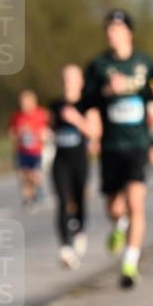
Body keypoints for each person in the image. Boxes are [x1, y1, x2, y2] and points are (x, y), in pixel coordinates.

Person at [82, 9, 153, 288]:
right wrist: (107, 91)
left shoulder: (145, 63)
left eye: (117, 28)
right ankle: (119, 225)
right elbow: (84, 102)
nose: (112, 33)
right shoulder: (98, 66)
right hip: (111, 145)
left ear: (129, 32)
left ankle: (130, 264)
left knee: (136, 203)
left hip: (137, 143)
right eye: (109, 28)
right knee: (115, 207)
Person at [49, 65, 99, 269]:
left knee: (78, 199)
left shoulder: (87, 105)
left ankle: (80, 230)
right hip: (60, 160)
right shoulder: (55, 105)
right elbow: (49, 128)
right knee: (62, 201)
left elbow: (94, 133)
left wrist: (76, 119)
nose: (68, 81)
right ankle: (65, 248)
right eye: (65, 77)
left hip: (80, 160)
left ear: (81, 81)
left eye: (72, 78)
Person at [8, 90, 50, 211]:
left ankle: (40, 190)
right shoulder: (17, 116)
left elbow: (47, 129)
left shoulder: (41, 114)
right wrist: (17, 133)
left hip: (37, 151)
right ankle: (28, 199)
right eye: (22, 102)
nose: (24, 104)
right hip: (22, 151)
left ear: (33, 102)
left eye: (27, 101)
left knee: (34, 174)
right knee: (23, 175)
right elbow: (11, 132)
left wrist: (44, 135)